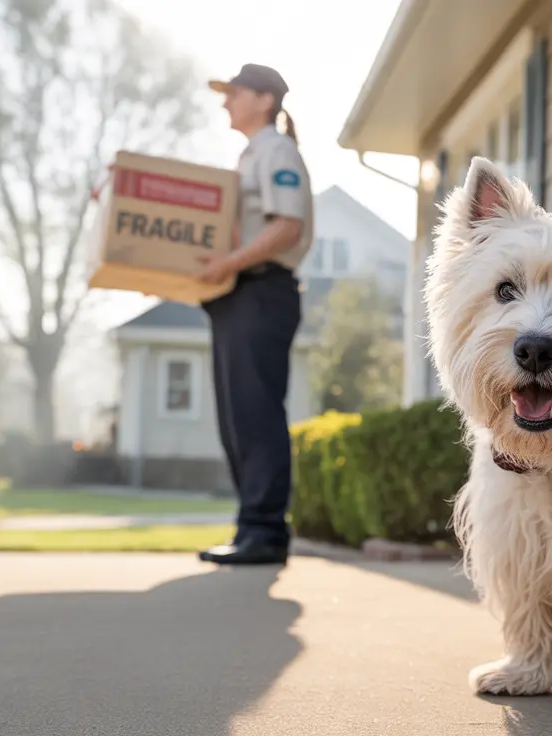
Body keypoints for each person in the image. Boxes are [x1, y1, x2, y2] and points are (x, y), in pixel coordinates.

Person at [194, 63, 314, 565]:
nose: (225, 102)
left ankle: (264, 532)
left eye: (234, 93)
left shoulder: (277, 152)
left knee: (255, 412)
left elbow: (287, 227)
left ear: (264, 100)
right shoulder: (248, 157)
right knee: (235, 417)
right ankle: (251, 528)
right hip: (237, 294)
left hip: (262, 291)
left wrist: (228, 264)